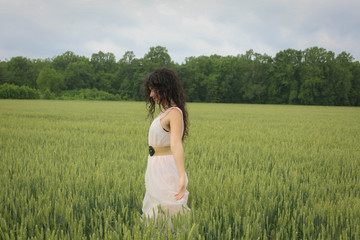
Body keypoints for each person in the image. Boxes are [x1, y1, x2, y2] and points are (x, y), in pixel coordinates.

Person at [142, 67, 190, 226]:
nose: (151, 95)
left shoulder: (175, 113)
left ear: (165, 88)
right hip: (155, 166)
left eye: (154, 90)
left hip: (165, 169)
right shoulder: (165, 111)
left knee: (167, 209)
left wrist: (182, 176)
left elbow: (176, 145)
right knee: (157, 211)